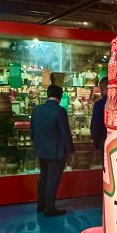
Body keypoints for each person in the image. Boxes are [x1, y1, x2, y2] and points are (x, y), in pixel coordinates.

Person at [30, 84, 74, 216]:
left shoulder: (37, 110)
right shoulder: (60, 111)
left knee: (43, 177)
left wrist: (37, 145)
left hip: (41, 150)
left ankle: (41, 205)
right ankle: (49, 208)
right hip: (56, 151)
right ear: (60, 96)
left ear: (47, 94)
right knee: (53, 179)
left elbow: (32, 131)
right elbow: (65, 133)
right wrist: (71, 151)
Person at [90, 76, 108, 154]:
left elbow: (95, 127)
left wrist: (97, 145)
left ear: (102, 89)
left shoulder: (99, 104)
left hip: (104, 142)